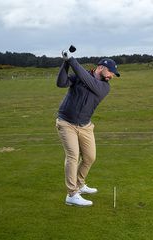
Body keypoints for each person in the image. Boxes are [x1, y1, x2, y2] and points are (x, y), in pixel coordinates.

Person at [55, 49, 120, 207]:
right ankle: (72, 194)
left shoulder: (104, 87)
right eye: (111, 71)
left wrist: (72, 60)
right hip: (66, 122)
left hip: (85, 126)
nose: (111, 75)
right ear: (101, 68)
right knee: (73, 156)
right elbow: (61, 83)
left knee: (90, 157)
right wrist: (65, 62)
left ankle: (79, 184)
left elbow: (88, 81)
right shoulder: (80, 76)